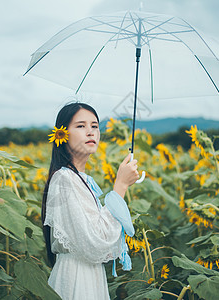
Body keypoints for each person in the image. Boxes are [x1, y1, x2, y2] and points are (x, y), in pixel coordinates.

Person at [42, 102, 139, 300]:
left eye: (95, 126)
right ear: (62, 134)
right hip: (77, 278)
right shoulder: (64, 179)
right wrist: (120, 185)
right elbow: (94, 242)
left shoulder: (82, 179)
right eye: (80, 126)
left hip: (89, 274)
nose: (90, 132)